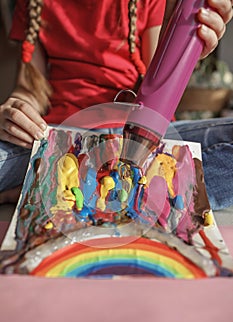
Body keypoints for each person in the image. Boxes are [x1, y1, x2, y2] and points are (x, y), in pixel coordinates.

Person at [0, 0, 232, 210]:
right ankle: (138, 193)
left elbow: (160, 85)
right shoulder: (34, 3)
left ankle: (65, 186)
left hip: (140, 139)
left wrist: (186, 49)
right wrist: (16, 111)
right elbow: (30, 89)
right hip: (62, 143)